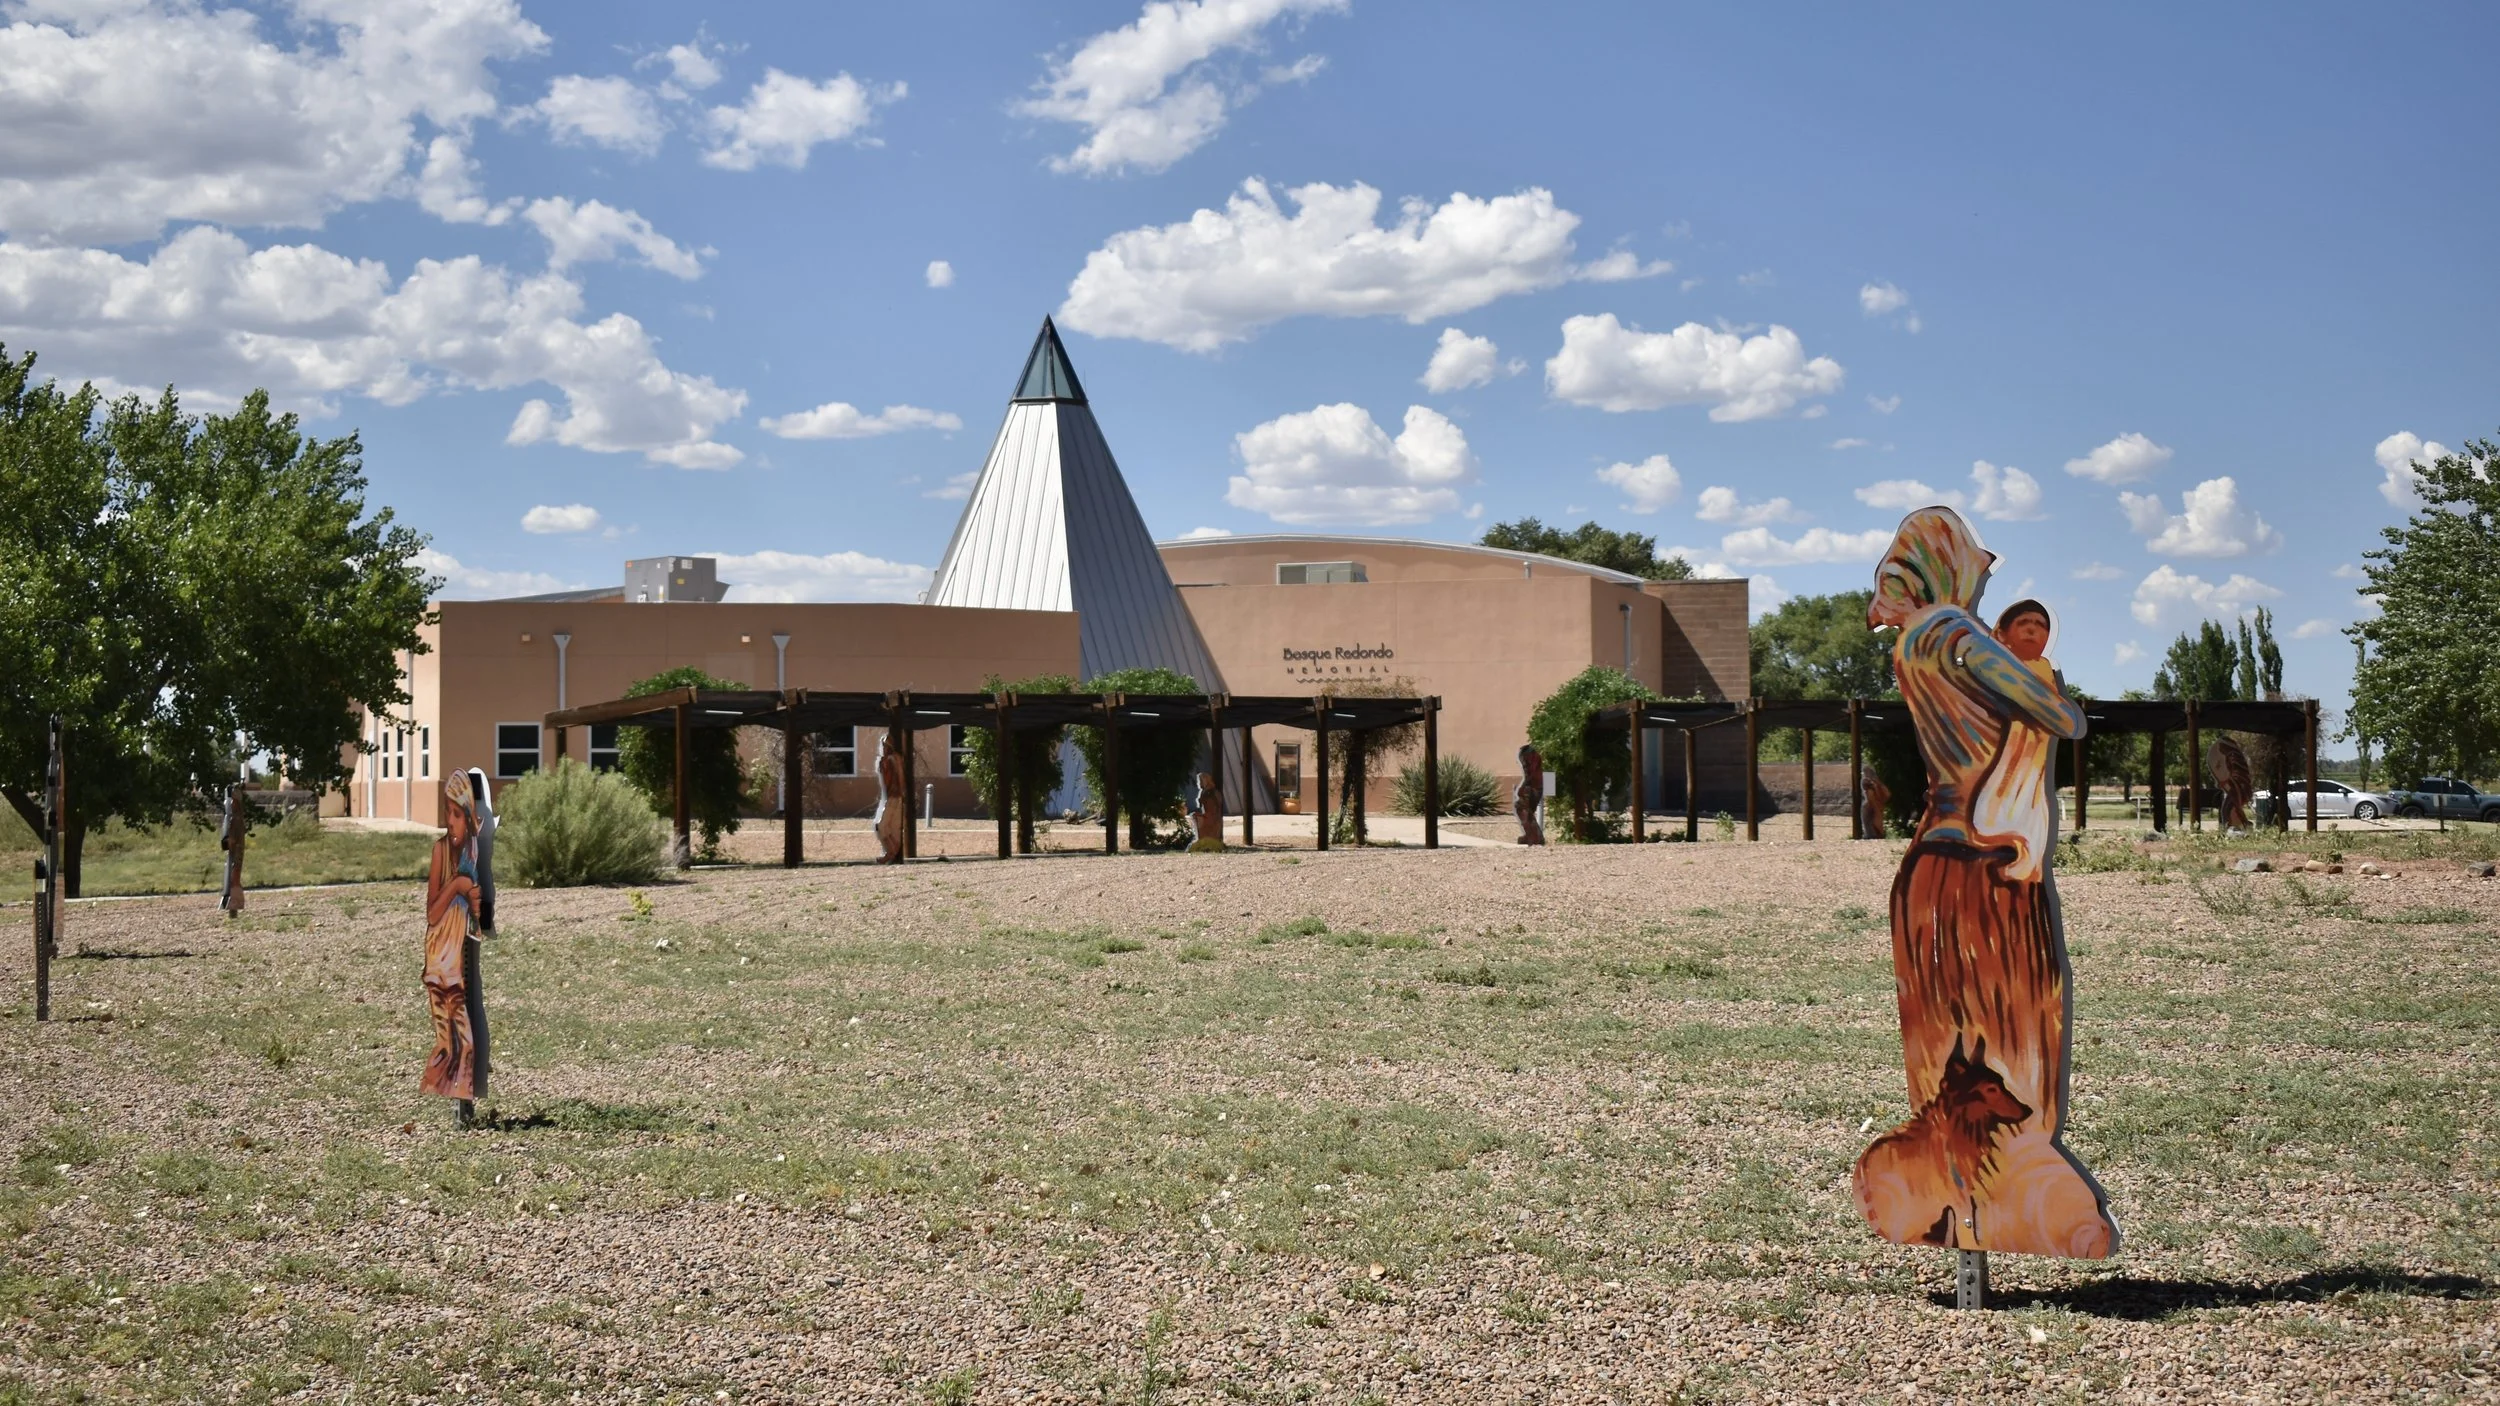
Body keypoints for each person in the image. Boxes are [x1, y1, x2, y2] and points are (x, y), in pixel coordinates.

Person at [1853, 508, 2117, 1260]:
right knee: (2010, 1046)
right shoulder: (1952, 634)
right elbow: (2058, 717)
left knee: (1946, 1061)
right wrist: (2042, 684)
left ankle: (1955, 1207)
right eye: (1978, 566)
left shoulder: (1909, 644)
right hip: (1988, 867)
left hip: (1933, 865)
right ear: (1950, 563)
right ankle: (2018, 1210)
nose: (1983, 580)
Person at [421, 771, 489, 1119]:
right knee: (448, 1043)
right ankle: (456, 1105)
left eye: (457, 814)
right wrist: (458, 885)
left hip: (459, 960)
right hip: (440, 960)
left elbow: (475, 899)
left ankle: (464, 1104)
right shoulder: (440, 851)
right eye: (447, 813)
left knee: (464, 1040)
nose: (451, 822)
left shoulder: (473, 849)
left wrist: (478, 908)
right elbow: (433, 913)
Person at [873, 731, 908, 864]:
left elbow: (891, 780)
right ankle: (892, 851)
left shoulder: (889, 760)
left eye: (884, 745)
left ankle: (891, 852)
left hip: (893, 797)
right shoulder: (896, 759)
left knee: (882, 826)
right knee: (891, 826)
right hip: (896, 797)